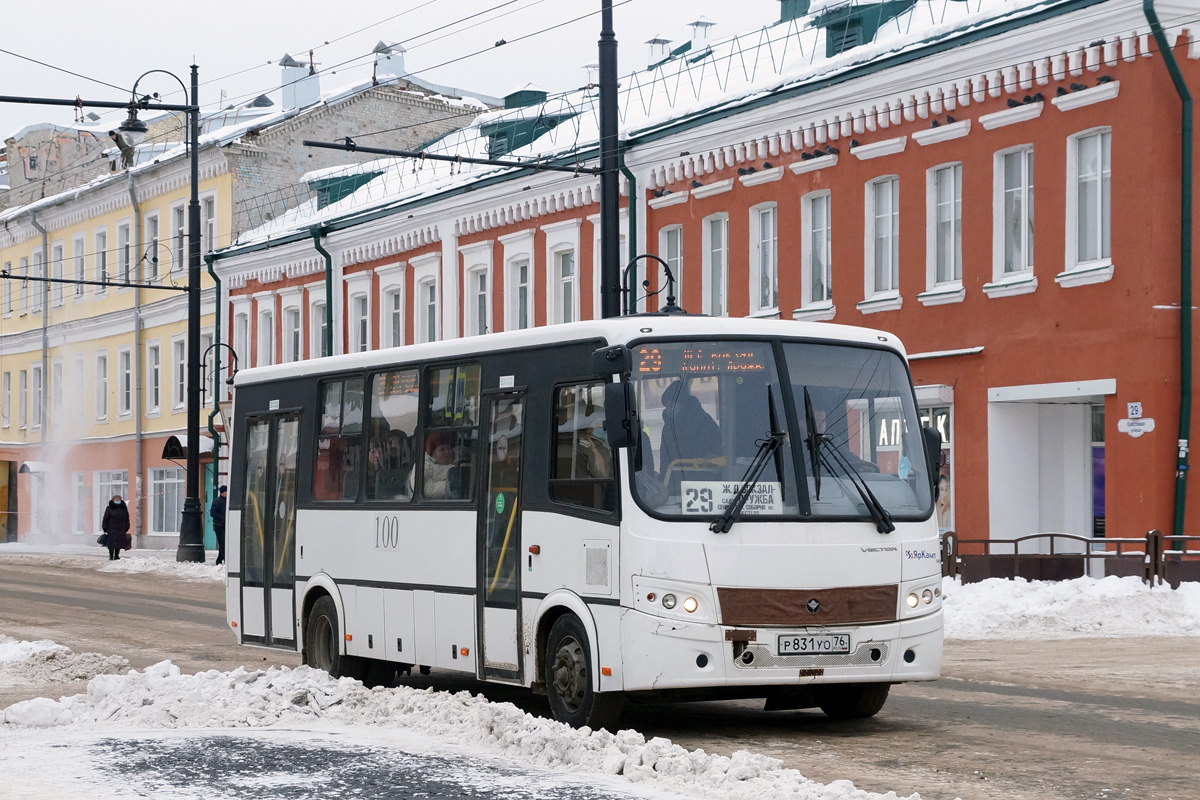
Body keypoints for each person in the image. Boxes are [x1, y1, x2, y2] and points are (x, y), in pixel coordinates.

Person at [422, 431, 456, 499]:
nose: (447, 452)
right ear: (433, 453)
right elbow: (428, 490)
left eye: (448, 448)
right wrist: (451, 486)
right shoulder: (422, 467)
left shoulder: (460, 461)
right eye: (442, 449)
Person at [101, 495, 131, 561]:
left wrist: (127, 526)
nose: (117, 500)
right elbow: (105, 518)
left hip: (121, 528)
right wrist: (104, 527)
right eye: (116, 499)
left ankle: (117, 555)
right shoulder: (109, 508)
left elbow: (127, 518)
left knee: (119, 542)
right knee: (112, 543)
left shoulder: (123, 508)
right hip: (111, 528)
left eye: (118, 499)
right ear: (113, 500)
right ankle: (111, 556)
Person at [210, 484, 228, 566]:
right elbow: (213, 513)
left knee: (224, 543)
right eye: (226, 491)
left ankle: (219, 560)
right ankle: (226, 560)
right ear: (222, 492)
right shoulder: (217, 501)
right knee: (223, 543)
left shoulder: (227, 501)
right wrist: (223, 518)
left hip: (225, 525)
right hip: (219, 525)